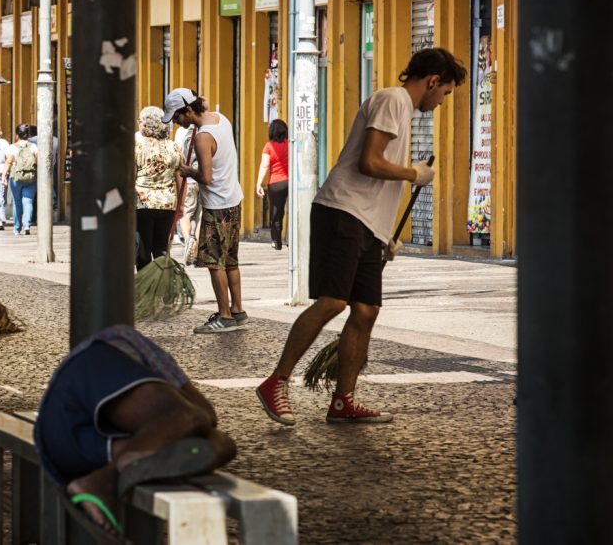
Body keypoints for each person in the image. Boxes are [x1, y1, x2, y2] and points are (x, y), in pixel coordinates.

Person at [256, 48, 466, 425]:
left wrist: (385, 234)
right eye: (445, 93)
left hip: (367, 224)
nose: (441, 102)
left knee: (366, 310)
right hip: (342, 212)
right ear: (433, 81)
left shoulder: (400, 107)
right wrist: (413, 174)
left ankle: (342, 402)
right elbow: (369, 162)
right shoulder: (393, 100)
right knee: (333, 302)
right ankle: (276, 381)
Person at [35, 324, 237, 538]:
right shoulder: (130, 345)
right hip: (79, 401)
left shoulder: (118, 348)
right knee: (195, 423)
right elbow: (204, 414)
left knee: (215, 443)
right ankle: (105, 480)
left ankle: (124, 466)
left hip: (68, 448)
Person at [163, 88, 247, 334]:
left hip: (217, 205)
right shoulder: (222, 119)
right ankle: (238, 310)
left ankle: (224, 316)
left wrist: (189, 171)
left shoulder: (202, 137)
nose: (177, 122)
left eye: (177, 117)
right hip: (233, 199)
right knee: (230, 260)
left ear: (188, 111)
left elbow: (207, 178)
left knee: (214, 263)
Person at [134, 106, 183, 270]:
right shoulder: (173, 147)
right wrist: (181, 205)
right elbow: (180, 178)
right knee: (161, 249)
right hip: (168, 204)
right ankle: (161, 286)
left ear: (146, 124)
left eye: (140, 121)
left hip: (143, 204)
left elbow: (131, 176)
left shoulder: (137, 146)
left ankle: (146, 287)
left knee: (143, 250)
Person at [256, 119, 289, 250]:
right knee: (292, 211)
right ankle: (292, 238)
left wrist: (258, 184)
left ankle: (277, 241)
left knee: (277, 213)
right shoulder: (290, 143)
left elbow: (264, 165)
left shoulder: (268, 146)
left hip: (276, 183)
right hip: (290, 182)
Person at [2, 123, 37, 236]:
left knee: (17, 202)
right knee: (28, 201)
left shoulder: (12, 147)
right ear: (28, 135)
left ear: (17, 135)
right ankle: (27, 225)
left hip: (15, 178)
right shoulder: (33, 146)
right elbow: (37, 161)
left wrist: (3, 176)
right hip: (31, 178)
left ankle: (17, 228)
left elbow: (9, 161)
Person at [173, 121, 201, 262]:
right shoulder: (205, 131)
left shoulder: (180, 132)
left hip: (188, 179)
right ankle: (195, 250)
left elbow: (178, 157)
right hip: (203, 180)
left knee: (186, 214)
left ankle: (188, 242)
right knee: (201, 217)